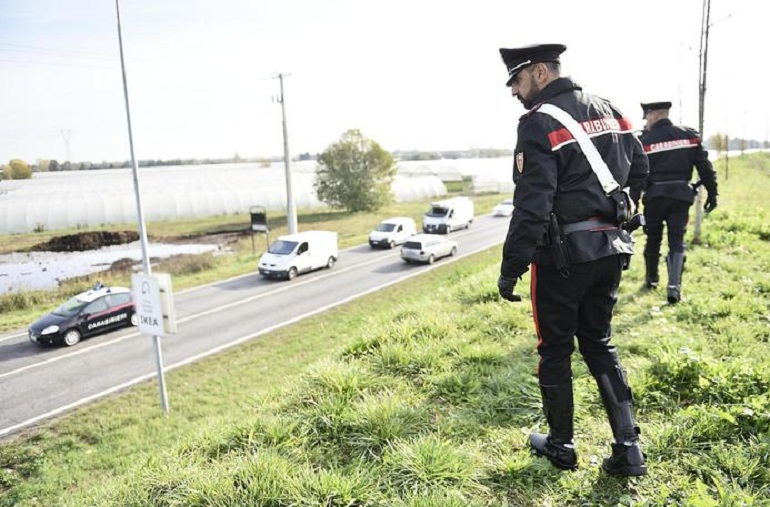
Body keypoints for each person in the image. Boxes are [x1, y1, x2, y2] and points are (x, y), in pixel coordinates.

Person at [496, 43, 649, 476]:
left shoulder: (538, 123)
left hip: (561, 259)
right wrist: (620, 212)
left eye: (517, 81)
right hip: (610, 249)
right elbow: (640, 170)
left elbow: (532, 207)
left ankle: (561, 446)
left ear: (540, 73)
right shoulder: (610, 110)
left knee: (555, 350)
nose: (514, 91)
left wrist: (511, 268)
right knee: (599, 343)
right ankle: (629, 449)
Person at [638, 102, 718, 303]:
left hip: (654, 198)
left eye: (647, 118)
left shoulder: (644, 141)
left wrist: (632, 200)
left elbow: (637, 174)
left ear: (654, 115)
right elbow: (705, 167)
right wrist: (712, 192)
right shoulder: (689, 136)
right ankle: (674, 287)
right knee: (677, 240)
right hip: (681, 198)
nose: (646, 122)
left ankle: (651, 279)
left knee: (653, 237)